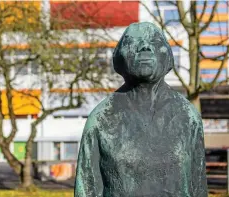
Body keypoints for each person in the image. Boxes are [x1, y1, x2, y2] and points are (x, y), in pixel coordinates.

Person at [74, 22, 208, 197]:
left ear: (168, 56)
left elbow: (198, 185)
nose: (145, 46)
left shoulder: (187, 116)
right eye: (133, 42)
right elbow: (86, 189)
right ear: (119, 57)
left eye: (155, 41)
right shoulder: (101, 119)